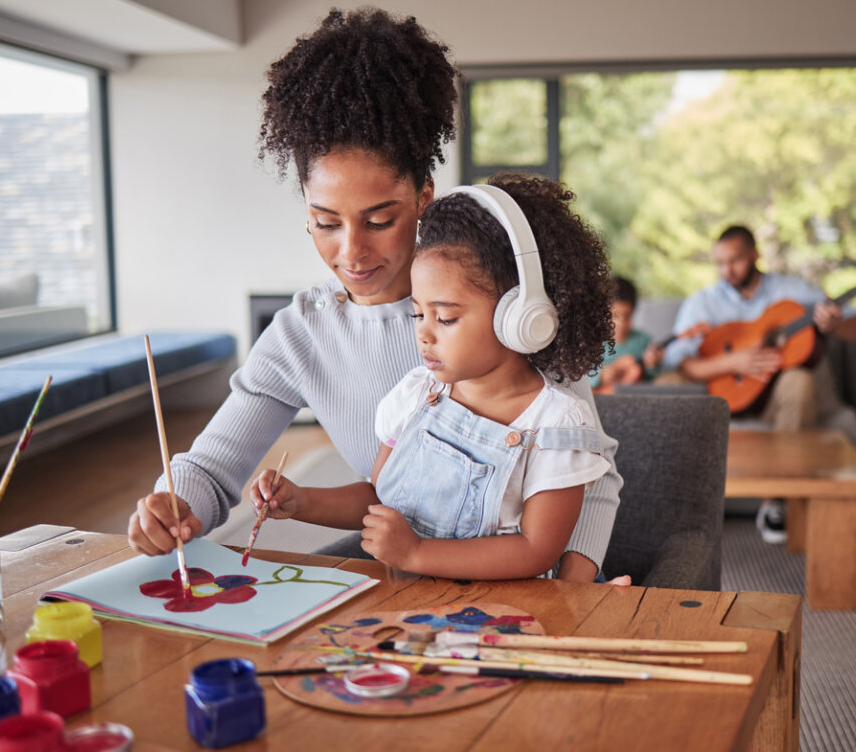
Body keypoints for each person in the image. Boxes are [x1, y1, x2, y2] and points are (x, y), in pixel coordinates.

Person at [126, 7, 622, 582]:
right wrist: (175, 504)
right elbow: (213, 469)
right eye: (326, 223)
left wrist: (571, 591)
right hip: (410, 579)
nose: (352, 253)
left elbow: (594, 473)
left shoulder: (503, 307)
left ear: (423, 200)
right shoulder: (302, 333)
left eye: (379, 220)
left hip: (537, 579)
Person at [251, 174, 614, 579]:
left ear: (521, 318)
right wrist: (302, 502)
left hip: (511, 610)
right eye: (419, 314)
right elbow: (379, 499)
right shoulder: (416, 395)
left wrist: (418, 553)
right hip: (419, 602)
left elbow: (536, 550)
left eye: (445, 317)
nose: (423, 333)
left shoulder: (554, 424)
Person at [661, 224, 856, 543]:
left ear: (755, 255)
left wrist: (837, 324)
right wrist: (732, 362)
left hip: (773, 402)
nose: (726, 271)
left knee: (800, 381)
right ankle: (670, 503)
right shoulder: (703, 302)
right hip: (721, 399)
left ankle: (776, 501)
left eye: (735, 261)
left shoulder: (794, 293)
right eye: (720, 263)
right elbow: (675, 360)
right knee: (665, 384)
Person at [590, 276, 663, 394]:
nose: (621, 323)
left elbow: (652, 379)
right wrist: (602, 374)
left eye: (627, 316)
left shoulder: (643, 341)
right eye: (615, 316)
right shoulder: (592, 343)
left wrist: (652, 365)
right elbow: (581, 378)